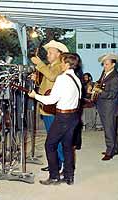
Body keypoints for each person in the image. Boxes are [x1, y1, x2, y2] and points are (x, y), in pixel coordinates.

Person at [29, 53, 82, 185]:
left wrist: (35, 96)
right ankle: (69, 177)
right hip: (74, 117)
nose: (61, 64)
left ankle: (54, 176)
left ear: (67, 64)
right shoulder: (76, 79)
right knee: (67, 146)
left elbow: (51, 100)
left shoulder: (62, 78)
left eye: (62, 62)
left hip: (62, 117)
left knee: (50, 145)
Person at [30, 40, 69, 171]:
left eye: (50, 52)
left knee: (55, 139)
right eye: (47, 52)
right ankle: (55, 163)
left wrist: (39, 64)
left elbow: (52, 77)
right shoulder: (50, 66)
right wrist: (37, 79)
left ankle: (63, 164)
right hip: (46, 107)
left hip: (53, 109)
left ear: (59, 54)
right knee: (52, 138)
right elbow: (46, 83)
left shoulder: (58, 66)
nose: (47, 55)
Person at [94, 53, 118, 161]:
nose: (104, 66)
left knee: (109, 130)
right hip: (104, 106)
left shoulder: (115, 78)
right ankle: (114, 149)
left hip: (109, 108)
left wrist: (100, 91)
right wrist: (95, 86)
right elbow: (101, 83)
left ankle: (109, 152)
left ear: (113, 65)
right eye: (103, 64)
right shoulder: (105, 73)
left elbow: (112, 94)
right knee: (110, 129)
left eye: (106, 64)